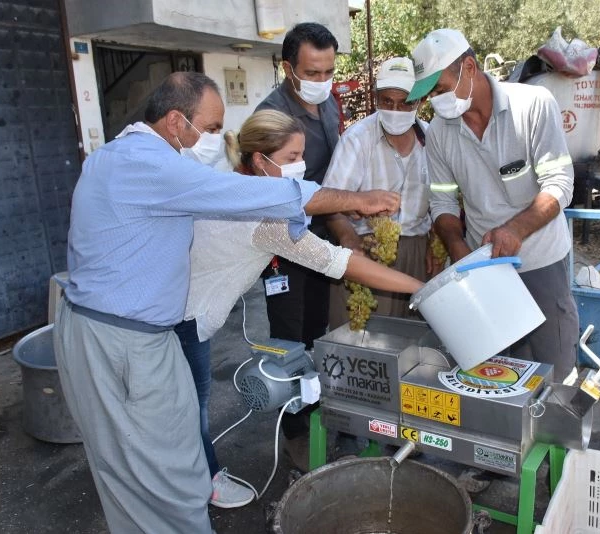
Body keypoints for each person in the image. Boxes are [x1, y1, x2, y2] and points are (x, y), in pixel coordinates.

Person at [53, 71, 400, 534]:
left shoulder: (114, 156)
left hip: (110, 329)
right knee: (165, 473)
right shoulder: (151, 165)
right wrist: (358, 199)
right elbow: (262, 198)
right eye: (213, 128)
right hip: (124, 340)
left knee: (137, 463)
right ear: (177, 122)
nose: (220, 139)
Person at [175, 110, 424, 508]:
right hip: (181, 319)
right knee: (189, 411)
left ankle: (201, 477)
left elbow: (308, 197)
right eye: (291, 157)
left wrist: (353, 206)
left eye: (301, 154)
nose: (300, 166)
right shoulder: (265, 215)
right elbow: (338, 262)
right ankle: (200, 485)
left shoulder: (234, 185)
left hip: (188, 312)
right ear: (261, 161)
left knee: (189, 406)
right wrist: (420, 288)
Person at [406, 29, 579, 491]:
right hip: (484, 266)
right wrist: (457, 246)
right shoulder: (441, 133)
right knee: (494, 370)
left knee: (553, 365)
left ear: (468, 67)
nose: (435, 103)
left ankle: (562, 470)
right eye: (429, 96)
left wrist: (518, 229)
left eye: (439, 90)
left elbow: (560, 184)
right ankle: (493, 457)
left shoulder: (532, 105)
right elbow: (442, 203)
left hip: (540, 257)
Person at [254, 22, 341, 467]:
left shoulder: (329, 104)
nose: (322, 81)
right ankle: (293, 431)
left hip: (321, 236)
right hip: (282, 245)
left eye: (328, 71)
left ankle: (315, 409)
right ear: (288, 68)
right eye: (313, 71)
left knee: (316, 331)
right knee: (288, 337)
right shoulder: (272, 117)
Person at [323, 56, 438, 330]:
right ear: (376, 99)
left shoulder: (432, 140)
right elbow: (329, 203)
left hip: (418, 252)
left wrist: (435, 242)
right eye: (387, 101)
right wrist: (349, 240)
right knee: (365, 341)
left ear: (419, 102)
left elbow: (443, 198)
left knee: (412, 339)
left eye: (405, 103)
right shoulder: (358, 139)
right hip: (368, 251)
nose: (395, 110)